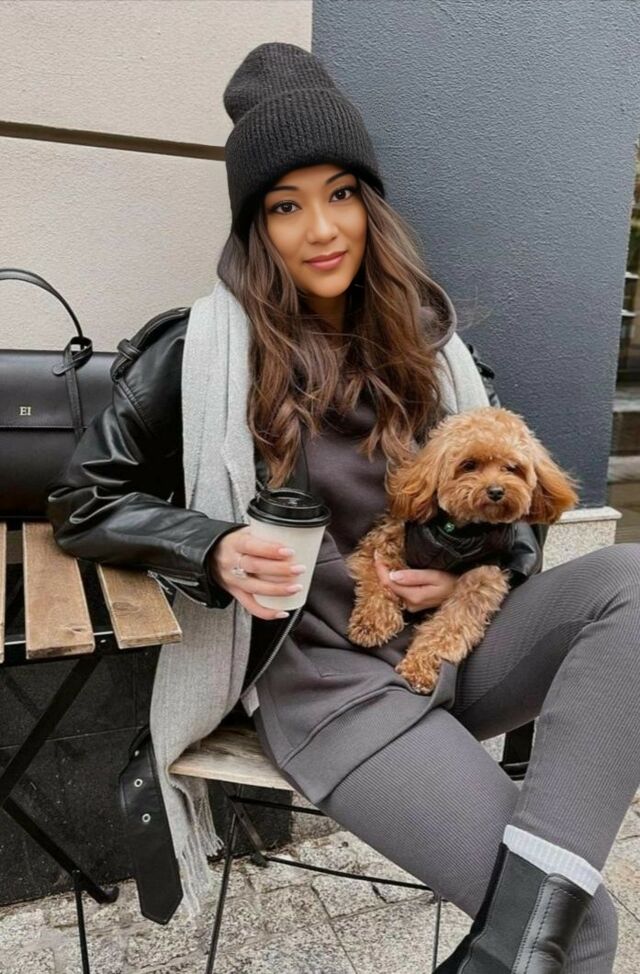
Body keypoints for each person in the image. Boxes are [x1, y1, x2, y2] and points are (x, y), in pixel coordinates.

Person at [46, 42, 640, 973]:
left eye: (341, 193)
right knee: (580, 930)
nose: (321, 228)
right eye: (285, 205)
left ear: (371, 204)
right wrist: (209, 545)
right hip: (330, 685)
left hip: (454, 651)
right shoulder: (198, 352)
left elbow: (515, 509)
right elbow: (82, 500)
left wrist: (481, 570)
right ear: (256, 226)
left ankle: (523, 917)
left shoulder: (432, 345)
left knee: (634, 582)